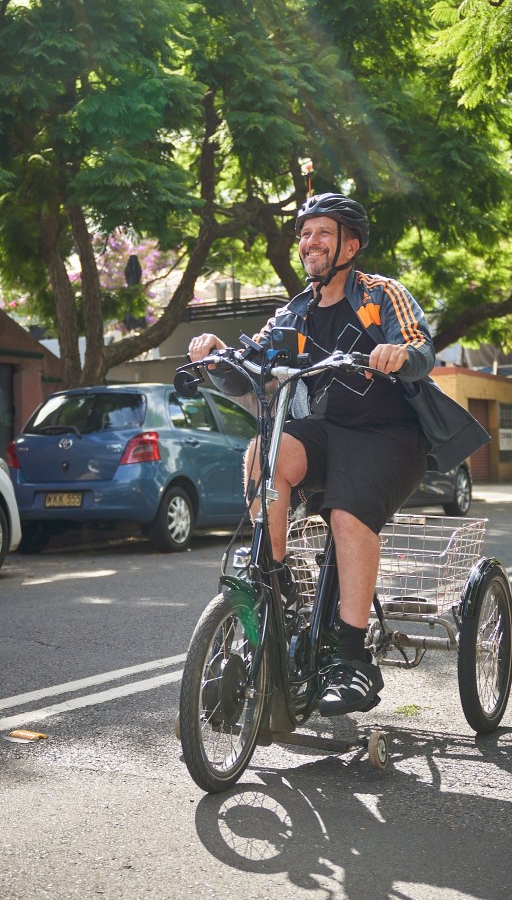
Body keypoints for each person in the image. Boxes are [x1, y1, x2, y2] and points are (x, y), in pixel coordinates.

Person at [187, 193, 488, 717]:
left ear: (350, 244)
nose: (311, 242)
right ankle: (274, 582)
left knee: (347, 516)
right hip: (326, 432)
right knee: (263, 454)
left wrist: (399, 353)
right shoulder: (294, 312)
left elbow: (419, 347)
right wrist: (217, 358)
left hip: (390, 436)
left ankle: (352, 657)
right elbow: (252, 367)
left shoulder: (381, 294)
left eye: (323, 232)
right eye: (305, 234)